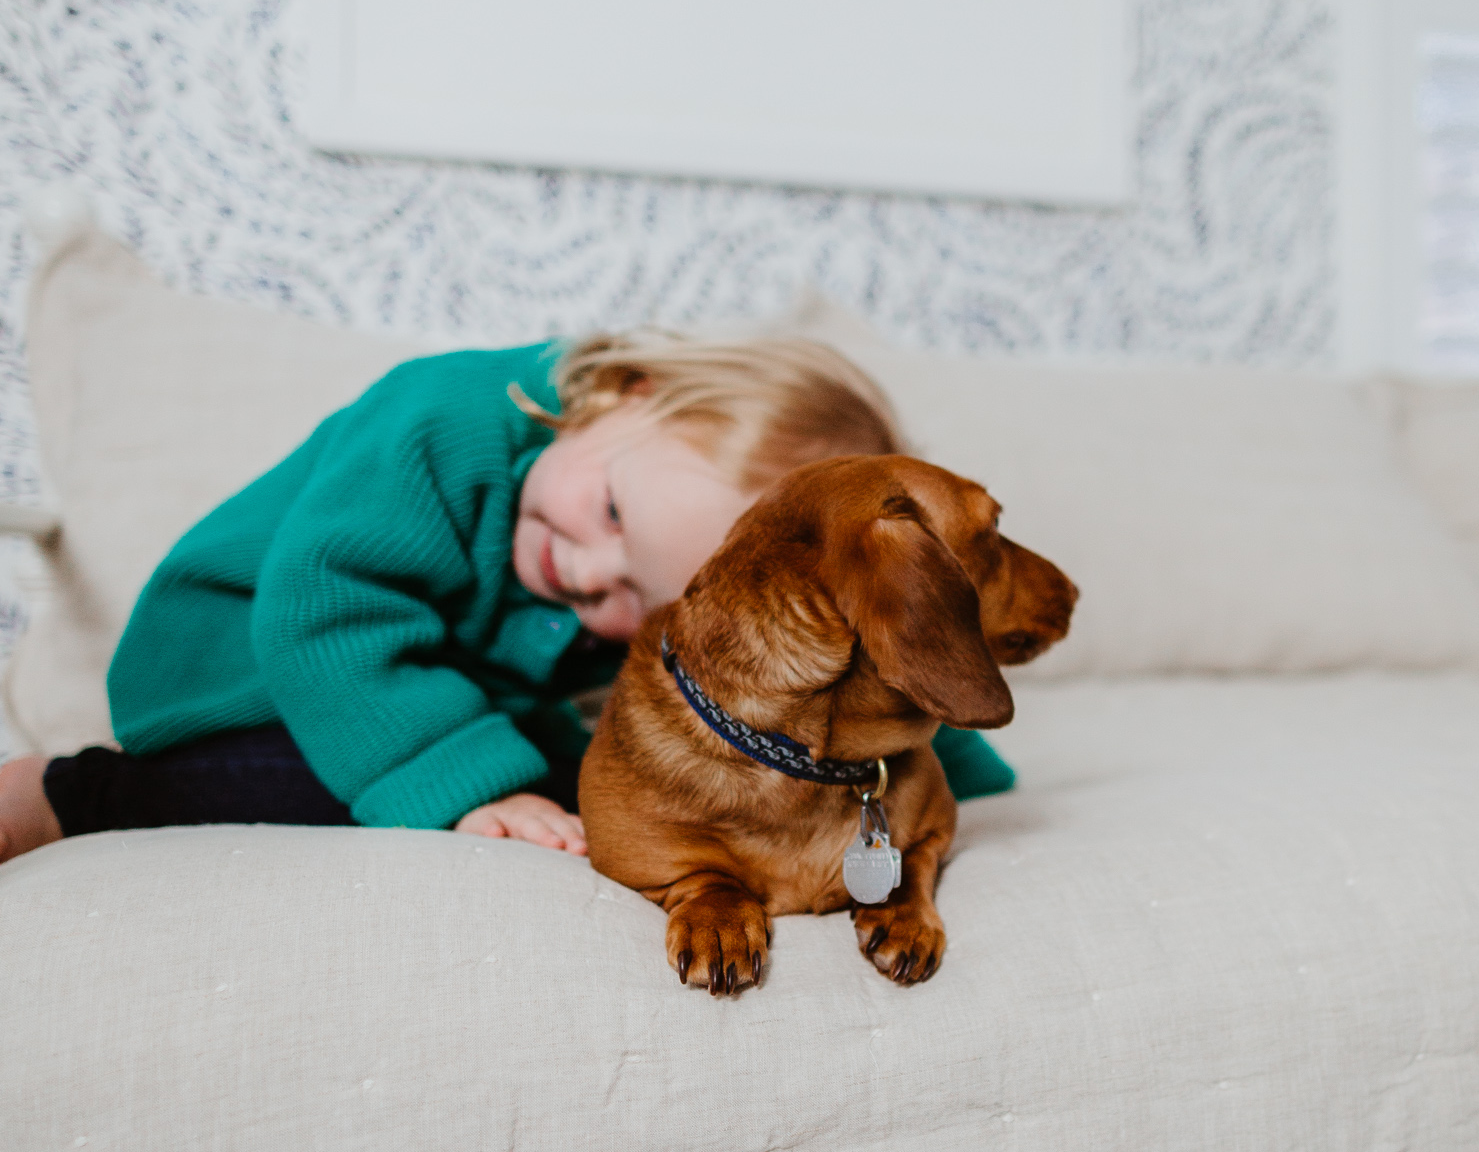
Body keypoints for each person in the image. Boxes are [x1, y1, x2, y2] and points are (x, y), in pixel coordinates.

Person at [0, 327, 1014, 865]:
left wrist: (937, 752)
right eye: (609, 514)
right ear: (627, 394)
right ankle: (66, 796)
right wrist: (476, 788)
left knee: (643, 764)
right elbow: (327, 608)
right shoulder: (437, 423)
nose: (583, 574)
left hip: (452, 689)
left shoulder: (627, 533)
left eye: (634, 593)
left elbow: (811, 674)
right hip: (250, 669)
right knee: (341, 791)